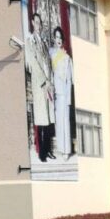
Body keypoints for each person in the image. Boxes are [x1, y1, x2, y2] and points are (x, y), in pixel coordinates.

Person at [26, 12, 55, 162]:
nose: (38, 26)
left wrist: (50, 82)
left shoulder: (43, 42)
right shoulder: (30, 41)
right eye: (36, 23)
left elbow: (48, 63)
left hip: (48, 84)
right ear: (32, 23)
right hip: (39, 84)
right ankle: (42, 153)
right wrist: (43, 82)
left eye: (40, 23)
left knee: (49, 119)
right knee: (42, 119)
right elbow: (34, 64)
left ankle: (48, 150)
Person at [49, 26, 73, 159]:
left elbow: (69, 79)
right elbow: (50, 73)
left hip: (64, 92)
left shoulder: (66, 57)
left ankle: (66, 150)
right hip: (56, 92)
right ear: (54, 38)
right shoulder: (52, 54)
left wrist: (69, 97)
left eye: (60, 37)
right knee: (59, 121)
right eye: (56, 37)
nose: (58, 39)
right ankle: (61, 148)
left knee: (66, 121)